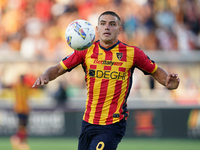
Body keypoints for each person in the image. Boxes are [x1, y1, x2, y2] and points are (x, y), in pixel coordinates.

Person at [32, 11, 180, 150]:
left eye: (112, 24)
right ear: (97, 28)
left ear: (120, 29)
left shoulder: (132, 53)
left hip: (113, 123)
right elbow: (58, 68)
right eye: (103, 23)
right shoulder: (86, 51)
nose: (107, 27)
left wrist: (167, 81)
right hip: (88, 121)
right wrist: (45, 75)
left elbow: (155, 71)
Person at [10, 75, 31, 150]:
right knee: (21, 126)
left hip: (25, 109)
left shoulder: (26, 87)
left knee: (24, 126)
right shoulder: (17, 86)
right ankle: (18, 141)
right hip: (19, 109)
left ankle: (20, 141)